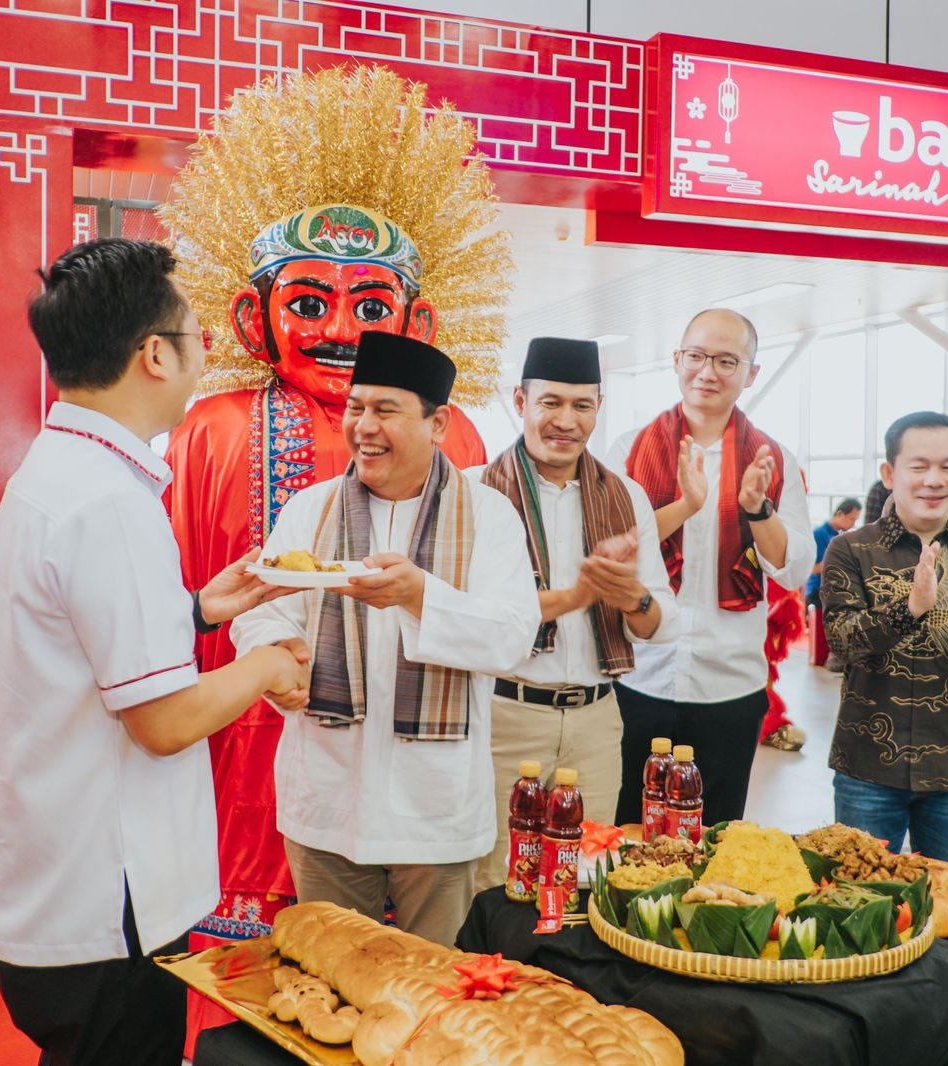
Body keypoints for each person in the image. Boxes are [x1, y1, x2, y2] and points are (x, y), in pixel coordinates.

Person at [156, 66, 500, 997]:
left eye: (372, 307)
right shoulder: (213, 429)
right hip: (252, 740)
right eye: (308, 303)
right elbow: (196, 598)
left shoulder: (461, 442)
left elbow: (500, 619)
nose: (342, 327)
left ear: (418, 323)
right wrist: (262, 664)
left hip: (424, 759)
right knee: (279, 977)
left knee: (420, 981)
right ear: (252, 319)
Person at [0, 239, 304, 1066]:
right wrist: (267, 665)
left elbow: (79, 641)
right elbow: (162, 724)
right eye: (197, 339)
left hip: (55, 883)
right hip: (107, 902)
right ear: (154, 354)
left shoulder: (59, 469)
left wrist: (195, 611)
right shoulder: (109, 501)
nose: (204, 361)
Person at [230, 331, 540, 947]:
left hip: (436, 812)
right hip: (327, 800)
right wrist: (280, 656)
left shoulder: (488, 516)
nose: (363, 426)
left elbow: (513, 637)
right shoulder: (311, 509)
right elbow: (262, 610)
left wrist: (420, 596)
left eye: (386, 410)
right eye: (356, 407)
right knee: (329, 970)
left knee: (432, 984)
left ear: (438, 424)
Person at [470, 337, 675, 892]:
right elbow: (463, 617)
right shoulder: (473, 491)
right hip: (502, 717)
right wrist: (574, 595)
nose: (566, 420)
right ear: (521, 401)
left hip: (596, 721)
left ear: (598, 408)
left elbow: (659, 624)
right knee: (493, 882)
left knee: (587, 877)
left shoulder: (625, 496)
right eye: (550, 402)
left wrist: (631, 596)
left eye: (582, 405)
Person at [608, 308, 814, 828]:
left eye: (727, 361)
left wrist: (757, 510)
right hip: (637, 678)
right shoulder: (629, 449)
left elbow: (793, 570)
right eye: (697, 356)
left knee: (714, 839)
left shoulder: (774, 459)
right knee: (626, 834)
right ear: (677, 360)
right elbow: (611, 547)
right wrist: (685, 506)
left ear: (751, 373)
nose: (708, 372)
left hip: (729, 686)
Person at [822, 412, 948, 871]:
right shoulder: (851, 550)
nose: (934, 480)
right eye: (919, 467)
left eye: (947, 466)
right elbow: (842, 641)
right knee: (860, 898)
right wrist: (911, 607)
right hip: (867, 767)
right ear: (890, 473)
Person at [809, 497, 862, 674]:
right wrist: (840, 559)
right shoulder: (820, 535)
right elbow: (812, 569)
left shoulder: (837, 536)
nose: (853, 524)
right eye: (852, 519)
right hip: (818, 590)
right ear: (840, 514)